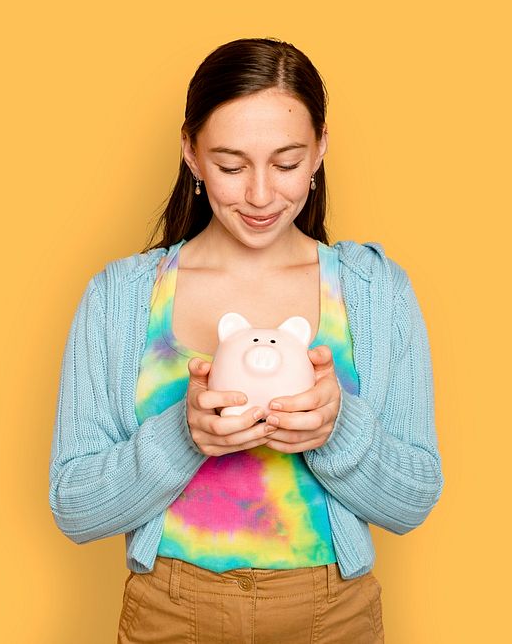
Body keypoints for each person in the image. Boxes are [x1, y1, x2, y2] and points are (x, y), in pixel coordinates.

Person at [49, 37, 444, 643]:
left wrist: (335, 431)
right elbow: (75, 507)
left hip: (332, 617)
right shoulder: (121, 297)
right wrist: (186, 436)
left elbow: (412, 499)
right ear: (191, 153)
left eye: (286, 163)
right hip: (171, 614)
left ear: (320, 150)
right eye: (231, 166)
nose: (260, 195)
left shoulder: (374, 291)